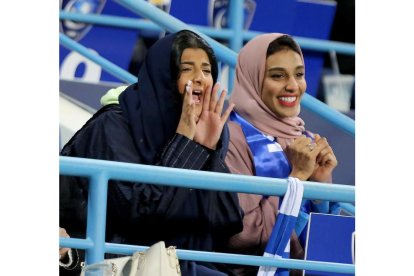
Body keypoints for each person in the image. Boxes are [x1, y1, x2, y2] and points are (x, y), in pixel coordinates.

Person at [60, 29, 243, 275]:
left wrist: (208, 151)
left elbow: (227, 222)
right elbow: (140, 215)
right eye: (187, 69)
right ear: (163, 76)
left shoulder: (205, 130)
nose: (200, 78)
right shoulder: (113, 127)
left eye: (207, 70)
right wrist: (187, 142)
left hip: (175, 261)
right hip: (102, 260)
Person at [222, 33, 338, 275]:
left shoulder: (302, 135)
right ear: (252, 79)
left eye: (299, 74)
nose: (293, 86)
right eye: (277, 75)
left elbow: (322, 236)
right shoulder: (230, 138)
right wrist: (297, 178)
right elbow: (243, 236)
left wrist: (321, 185)